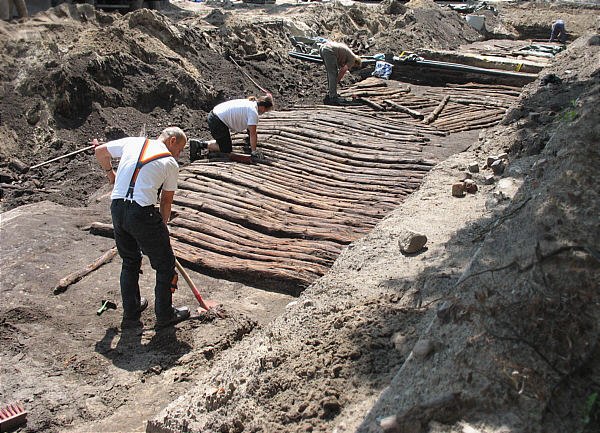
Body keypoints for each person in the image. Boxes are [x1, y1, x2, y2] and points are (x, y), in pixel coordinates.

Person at [94, 127, 191, 330]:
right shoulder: (170, 163)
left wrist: (110, 174)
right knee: (165, 264)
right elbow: (165, 202)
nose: (179, 154)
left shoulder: (133, 142)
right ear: (172, 141)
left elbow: (100, 151)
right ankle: (165, 314)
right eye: (180, 149)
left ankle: (131, 311)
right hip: (142, 213)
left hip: (117, 208)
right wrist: (162, 229)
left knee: (129, 261)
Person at [189, 94, 274, 163]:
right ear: (263, 107)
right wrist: (254, 151)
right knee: (226, 149)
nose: (264, 113)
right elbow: (253, 134)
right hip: (217, 120)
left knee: (224, 143)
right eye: (266, 111)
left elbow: (250, 129)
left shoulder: (251, 102)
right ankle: (200, 144)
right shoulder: (253, 112)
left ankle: (209, 144)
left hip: (216, 115)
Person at [319, 41, 362, 105]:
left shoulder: (349, 54)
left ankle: (331, 92)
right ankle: (333, 97)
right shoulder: (353, 59)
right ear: (356, 63)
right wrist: (336, 81)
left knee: (330, 72)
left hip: (323, 48)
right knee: (333, 73)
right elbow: (342, 71)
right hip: (329, 50)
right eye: (354, 67)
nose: (351, 68)